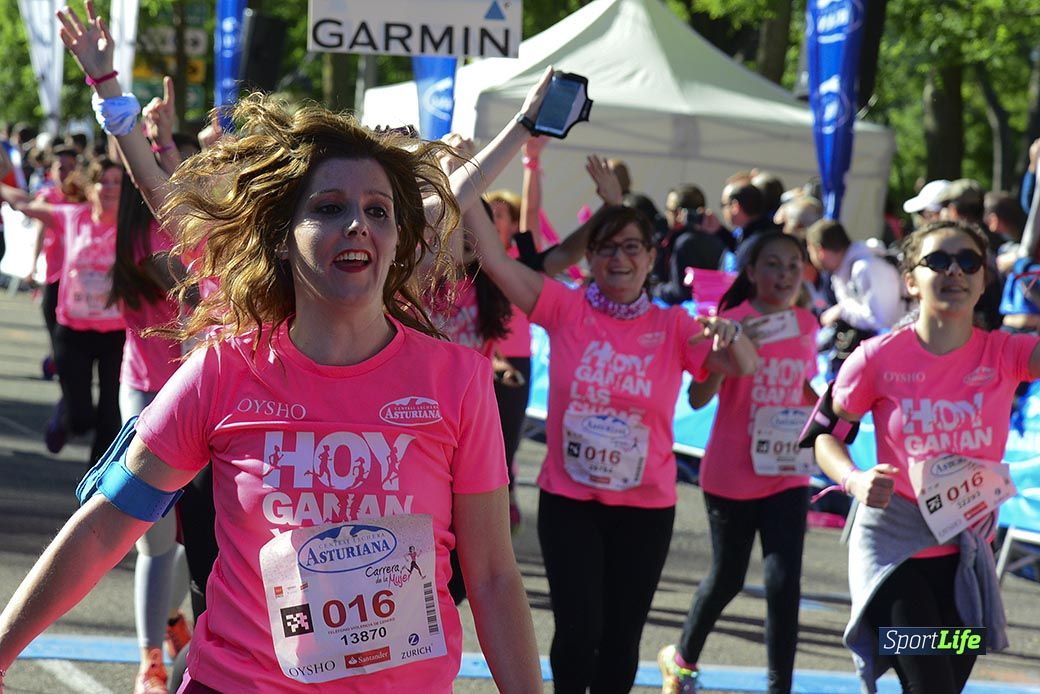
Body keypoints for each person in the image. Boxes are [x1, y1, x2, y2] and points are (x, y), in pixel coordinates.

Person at [0, 5, 542, 693]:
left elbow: (493, 576)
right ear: (283, 236)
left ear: (401, 237)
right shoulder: (225, 369)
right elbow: (108, 525)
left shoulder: (456, 381)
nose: (357, 225)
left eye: (378, 211)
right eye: (327, 208)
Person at [468, 162, 759, 691]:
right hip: (569, 501)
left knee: (622, 637)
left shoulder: (673, 324)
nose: (619, 258)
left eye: (631, 247)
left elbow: (741, 365)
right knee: (578, 631)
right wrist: (465, 173)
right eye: (606, 247)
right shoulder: (564, 306)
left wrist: (730, 335)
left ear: (652, 258)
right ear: (591, 258)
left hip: (646, 508)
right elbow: (491, 257)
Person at [813, 219, 1040, 693]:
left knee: (944, 684)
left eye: (968, 262)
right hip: (895, 550)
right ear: (911, 280)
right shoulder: (875, 358)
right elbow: (822, 437)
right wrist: (853, 479)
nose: (954, 271)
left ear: (983, 281)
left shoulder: (1006, 354)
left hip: (966, 556)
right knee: (929, 683)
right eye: (938, 260)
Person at [658, 232, 819, 694]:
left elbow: (804, 387)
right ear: (750, 272)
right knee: (727, 578)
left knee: (783, 582)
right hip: (732, 470)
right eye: (772, 264)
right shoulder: (730, 320)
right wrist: (719, 359)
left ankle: (779, 687)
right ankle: (682, 661)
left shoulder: (807, 323)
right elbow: (697, 393)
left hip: (788, 468)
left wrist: (833, 407)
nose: (784, 275)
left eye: (793, 265)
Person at [109, 171, 193, 693]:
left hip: (197, 401)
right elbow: (193, 291)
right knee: (155, 541)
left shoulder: (191, 232)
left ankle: (166, 624)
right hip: (150, 403)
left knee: (202, 539)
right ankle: (151, 660)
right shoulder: (150, 243)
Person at [1, 155, 127, 464]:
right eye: (103, 181)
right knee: (82, 417)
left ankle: (97, 487)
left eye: (117, 182)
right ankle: (66, 418)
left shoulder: (132, 225)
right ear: (91, 187)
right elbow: (25, 204)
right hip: (74, 332)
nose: (109, 188)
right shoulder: (73, 217)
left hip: (117, 335)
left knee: (111, 418)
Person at [805, 219, 904, 377]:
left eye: (810, 252)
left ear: (819, 250)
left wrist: (842, 310)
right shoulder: (845, 270)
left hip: (894, 359)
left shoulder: (866, 268)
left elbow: (882, 320)